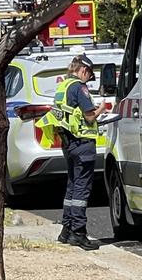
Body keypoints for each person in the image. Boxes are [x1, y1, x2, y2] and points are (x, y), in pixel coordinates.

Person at [36, 55, 108, 250]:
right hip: (82, 143)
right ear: (84, 70)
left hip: (68, 143)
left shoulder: (63, 87)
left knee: (72, 187)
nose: (88, 79)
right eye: (90, 75)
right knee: (81, 190)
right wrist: (102, 108)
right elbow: (90, 116)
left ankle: (66, 230)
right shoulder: (79, 87)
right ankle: (79, 232)